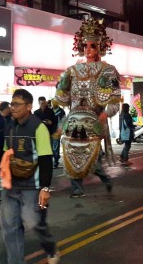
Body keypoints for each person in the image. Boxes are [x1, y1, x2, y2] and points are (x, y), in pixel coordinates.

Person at [55, 18, 120, 197]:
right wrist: (62, 84)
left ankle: (104, 178)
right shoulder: (72, 70)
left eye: (93, 45)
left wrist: (105, 114)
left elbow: (113, 99)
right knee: (70, 150)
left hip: (94, 120)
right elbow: (62, 97)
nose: (89, 49)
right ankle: (77, 188)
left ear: (101, 47)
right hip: (74, 119)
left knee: (93, 157)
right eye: (86, 46)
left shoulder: (108, 70)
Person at [0, 89, 59, 264]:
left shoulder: (38, 127)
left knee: (35, 223)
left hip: (33, 187)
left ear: (28, 106)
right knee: (9, 227)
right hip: (12, 185)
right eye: (12, 104)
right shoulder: (9, 125)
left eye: (17, 104)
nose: (13, 108)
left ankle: (50, 247)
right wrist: (3, 180)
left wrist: (45, 188)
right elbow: (6, 154)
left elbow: (46, 158)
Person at [50, 99, 66, 169]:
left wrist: (60, 130)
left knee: (55, 149)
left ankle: (56, 161)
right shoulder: (49, 110)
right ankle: (52, 161)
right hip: (49, 132)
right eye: (53, 103)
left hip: (57, 132)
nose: (54, 105)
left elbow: (63, 121)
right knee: (50, 148)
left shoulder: (61, 111)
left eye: (55, 103)